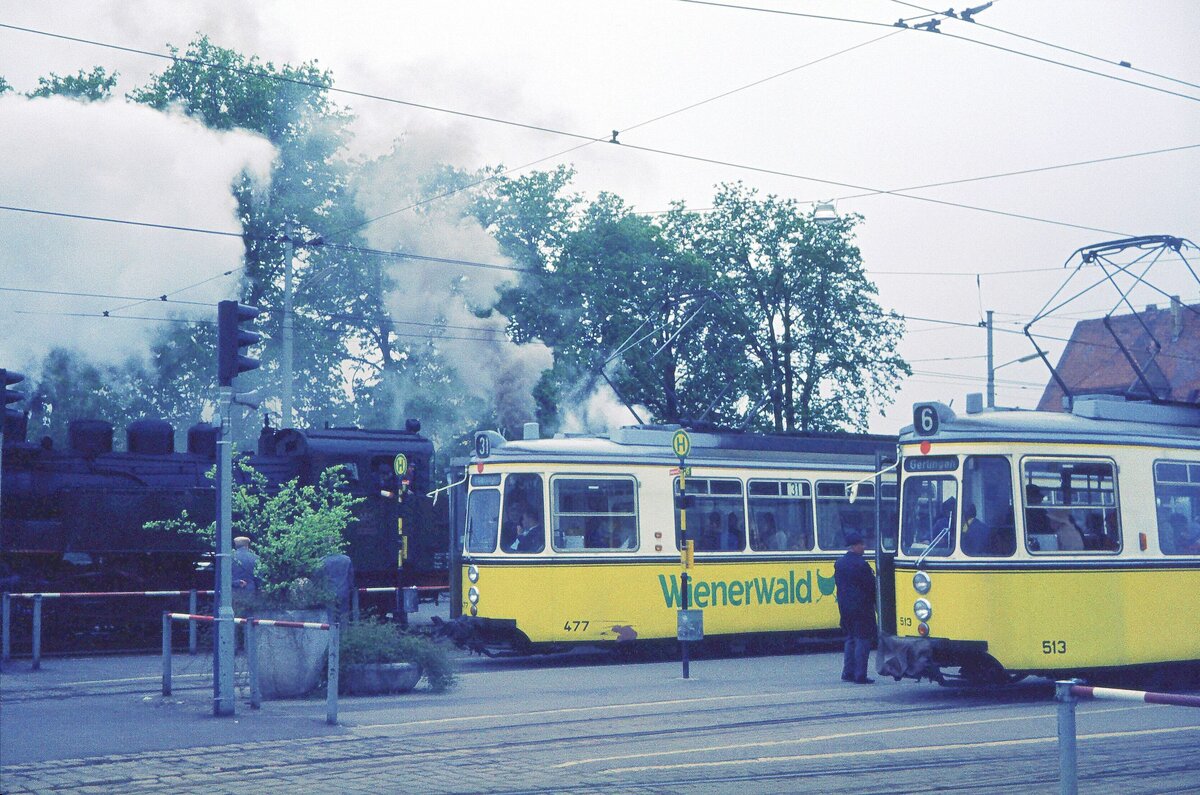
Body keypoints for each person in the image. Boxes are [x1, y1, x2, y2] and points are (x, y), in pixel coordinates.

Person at [834, 530, 877, 684]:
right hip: (862, 607)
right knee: (863, 640)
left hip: (845, 607)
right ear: (855, 546)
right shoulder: (861, 565)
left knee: (850, 638)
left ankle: (848, 672)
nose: (864, 547)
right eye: (861, 544)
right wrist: (876, 604)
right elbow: (870, 586)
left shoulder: (839, 563)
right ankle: (860, 675)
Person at [320, 552, 355, 626]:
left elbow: (319, 577)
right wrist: (351, 587)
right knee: (344, 615)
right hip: (343, 590)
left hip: (329, 591)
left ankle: (332, 631)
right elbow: (351, 576)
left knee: (330, 616)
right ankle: (344, 631)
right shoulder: (346, 559)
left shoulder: (323, 560)